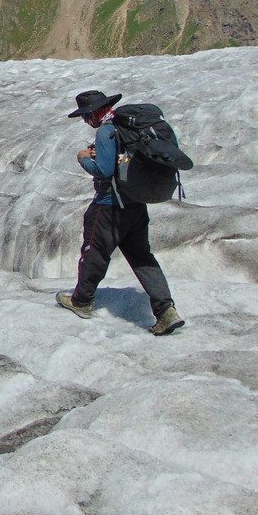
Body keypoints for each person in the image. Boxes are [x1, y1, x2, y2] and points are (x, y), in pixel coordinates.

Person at [58, 90, 185, 335]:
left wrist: (83, 158)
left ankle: (81, 301)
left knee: (94, 253)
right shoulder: (127, 128)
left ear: (96, 111)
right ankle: (166, 311)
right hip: (136, 205)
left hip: (110, 207)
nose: (86, 121)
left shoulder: (106, 131)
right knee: (142, 258)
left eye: (86, 115)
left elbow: (103, 171)